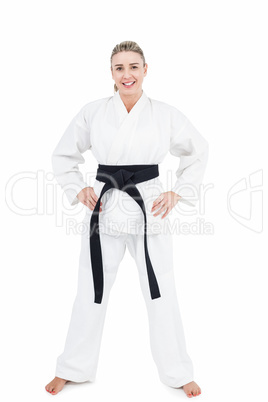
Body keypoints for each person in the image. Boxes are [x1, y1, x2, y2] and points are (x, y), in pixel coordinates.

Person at [45, 40, 208, 398]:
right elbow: (63, 155)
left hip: (151, 207)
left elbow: (198, 151)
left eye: (134, 66)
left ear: (145, 69)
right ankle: (72, 368)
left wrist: (178, 191)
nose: (127, 74)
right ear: (112, 74)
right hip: (106, 206)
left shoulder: (164, 114)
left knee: (160, 288)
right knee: (91, 288)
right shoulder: (93, 112)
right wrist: (76, 188)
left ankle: (178, 372)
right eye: (119, 68)